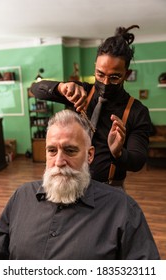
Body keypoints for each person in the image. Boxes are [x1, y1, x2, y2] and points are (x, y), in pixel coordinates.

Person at [0, 110, 160, 260]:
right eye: (52, 150)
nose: (59, 161)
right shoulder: (21, 197)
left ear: (89, 155)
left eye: (70, 151)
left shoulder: (122, 209)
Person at [31, 25, 152, 188]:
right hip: (69, 181)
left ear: (127, 74)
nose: (105, 82)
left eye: (115, 77)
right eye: (100, 74)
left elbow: (138, 161)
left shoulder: (137, 112)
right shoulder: (81, 92)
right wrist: (61, 87)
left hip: (108, 189)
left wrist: (119, 152)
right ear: (95, 67)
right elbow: (36, 89)